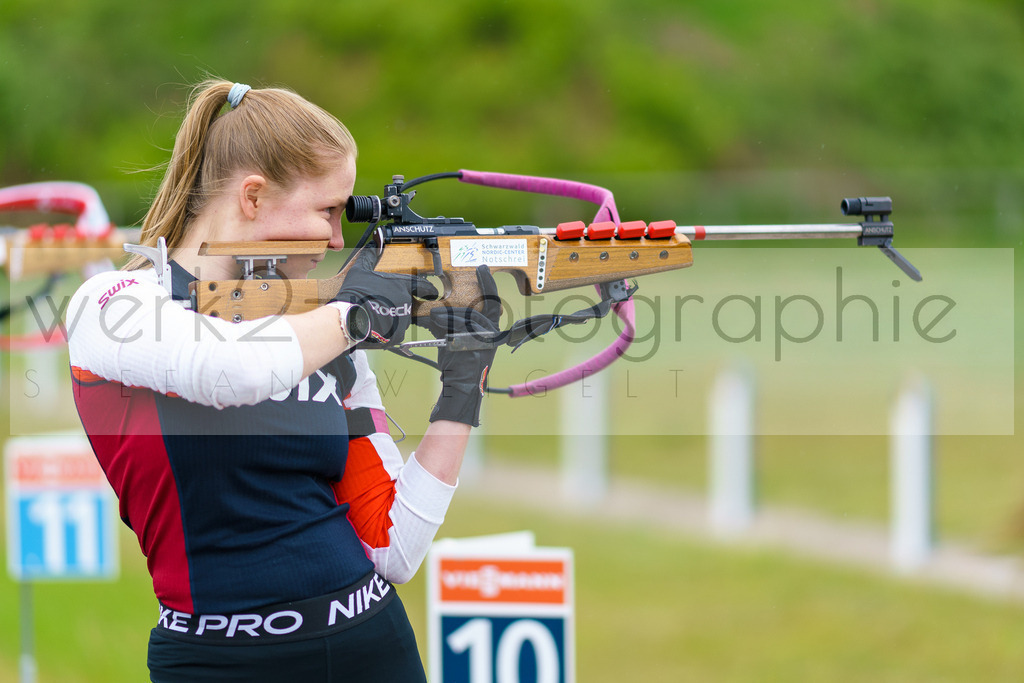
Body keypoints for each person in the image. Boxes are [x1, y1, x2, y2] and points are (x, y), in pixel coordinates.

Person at [67, 80, 500, 682]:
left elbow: (391, 546)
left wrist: (464, 382)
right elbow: (232, 371)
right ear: (252, 196)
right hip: (215, 663)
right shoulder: (114, 304)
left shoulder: (316, 324)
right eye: (326, 211)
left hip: (369, 644)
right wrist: (356, 313)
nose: (335, 240)